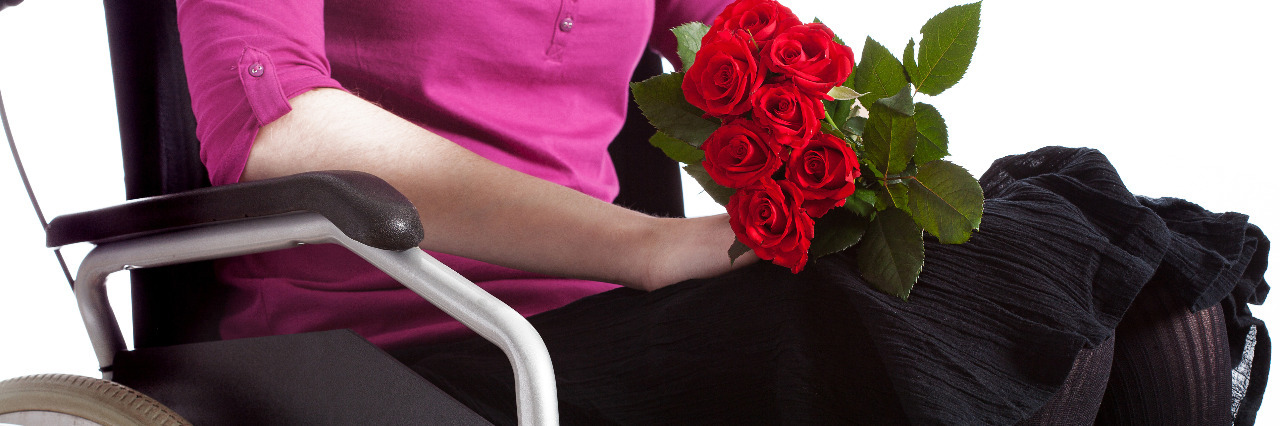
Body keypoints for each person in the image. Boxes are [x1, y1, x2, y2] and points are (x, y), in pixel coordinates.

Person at [175, 0, 1270, 424]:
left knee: (1087, 250)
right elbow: (279, 130)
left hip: (607, 330)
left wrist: (880, 188)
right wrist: (648, 246)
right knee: (1001, 309)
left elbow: (776, 75)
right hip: (396, 354)